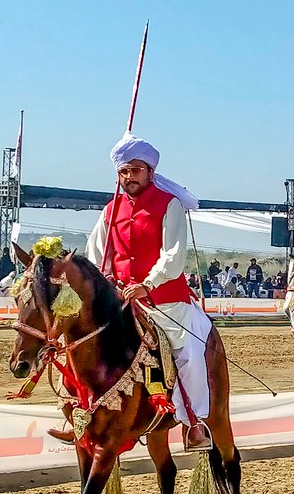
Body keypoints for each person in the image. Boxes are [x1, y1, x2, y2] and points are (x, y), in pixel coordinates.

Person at [85, 130, 210, 446]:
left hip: (165, 301)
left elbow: (173, 255)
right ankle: (82, 412)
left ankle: (194, 422)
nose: (129, 177)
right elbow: (95, 252)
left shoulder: (170, 206)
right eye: (123, 171)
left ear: (151, 172)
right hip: (121, 301)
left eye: (135, 170)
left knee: (189, 356)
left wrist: (146, 284)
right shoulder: (110, 210)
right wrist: (102, 280)